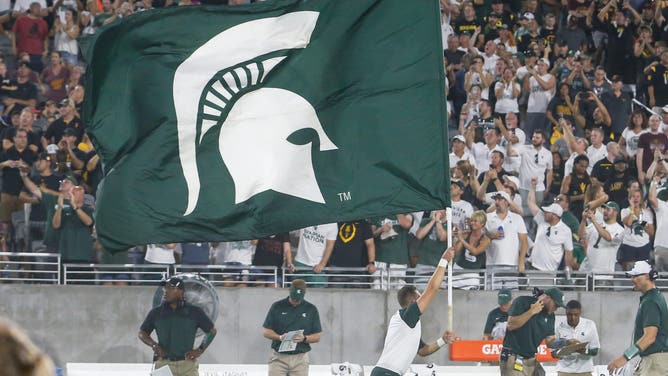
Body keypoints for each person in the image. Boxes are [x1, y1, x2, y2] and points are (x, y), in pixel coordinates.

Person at [370, 248, 457, 376]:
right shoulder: (407, 316)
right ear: (412, 300)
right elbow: (432, 288)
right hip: (387, 373)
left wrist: (442, 340)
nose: (422, 299)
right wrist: (443, 260)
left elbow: (422, 350)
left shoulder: (408, 323)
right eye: (419, 296)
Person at [139, 276, 217, 376]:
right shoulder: (156, 313)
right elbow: (142, 333)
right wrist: (154, 345)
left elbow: (212, 331)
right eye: (165, 288)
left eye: (170, 288)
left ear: (181, 292)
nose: (165, 291)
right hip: (163, 365)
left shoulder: (194, 312)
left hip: (187, 366)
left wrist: (200, 350)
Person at [608, 261, 668, 375]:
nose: (632, 279)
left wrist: (625, 357)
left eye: (636, 276)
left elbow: (649, 337)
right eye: (632, 276)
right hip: (654, 360)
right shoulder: (653, 297)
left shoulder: (651, 301)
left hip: (655, 361)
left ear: (646, 276)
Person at [500, 287, 567, 376]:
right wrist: (532, 311)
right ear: (547, 298)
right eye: (556, 305)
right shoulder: (522, 302)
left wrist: (565, 342)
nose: (556, 308)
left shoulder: (551, 316)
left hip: (531, 359)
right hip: (513, 357)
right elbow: (511, 325)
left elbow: (550, 341)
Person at [262, 279, 322, 376]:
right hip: (279, 358)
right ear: (289, 291)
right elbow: (266, 331)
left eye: (298, 299)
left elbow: (317, 336)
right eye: (294, 298)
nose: (295, 301)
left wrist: (304, 338)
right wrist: (280, 337)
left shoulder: (311, 309)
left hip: (300, 359)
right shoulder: (277, 306)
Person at [554, 300, 601, 376]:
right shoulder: (559, 326)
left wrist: (585, 351)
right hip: (564, 371)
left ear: (580, 313)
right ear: (566, 313)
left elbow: (595, 350)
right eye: (570, 314)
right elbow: (553, 353)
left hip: (585, 371)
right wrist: (564, 350)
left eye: (576, 314)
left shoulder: (590, 324)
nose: (573, 318)